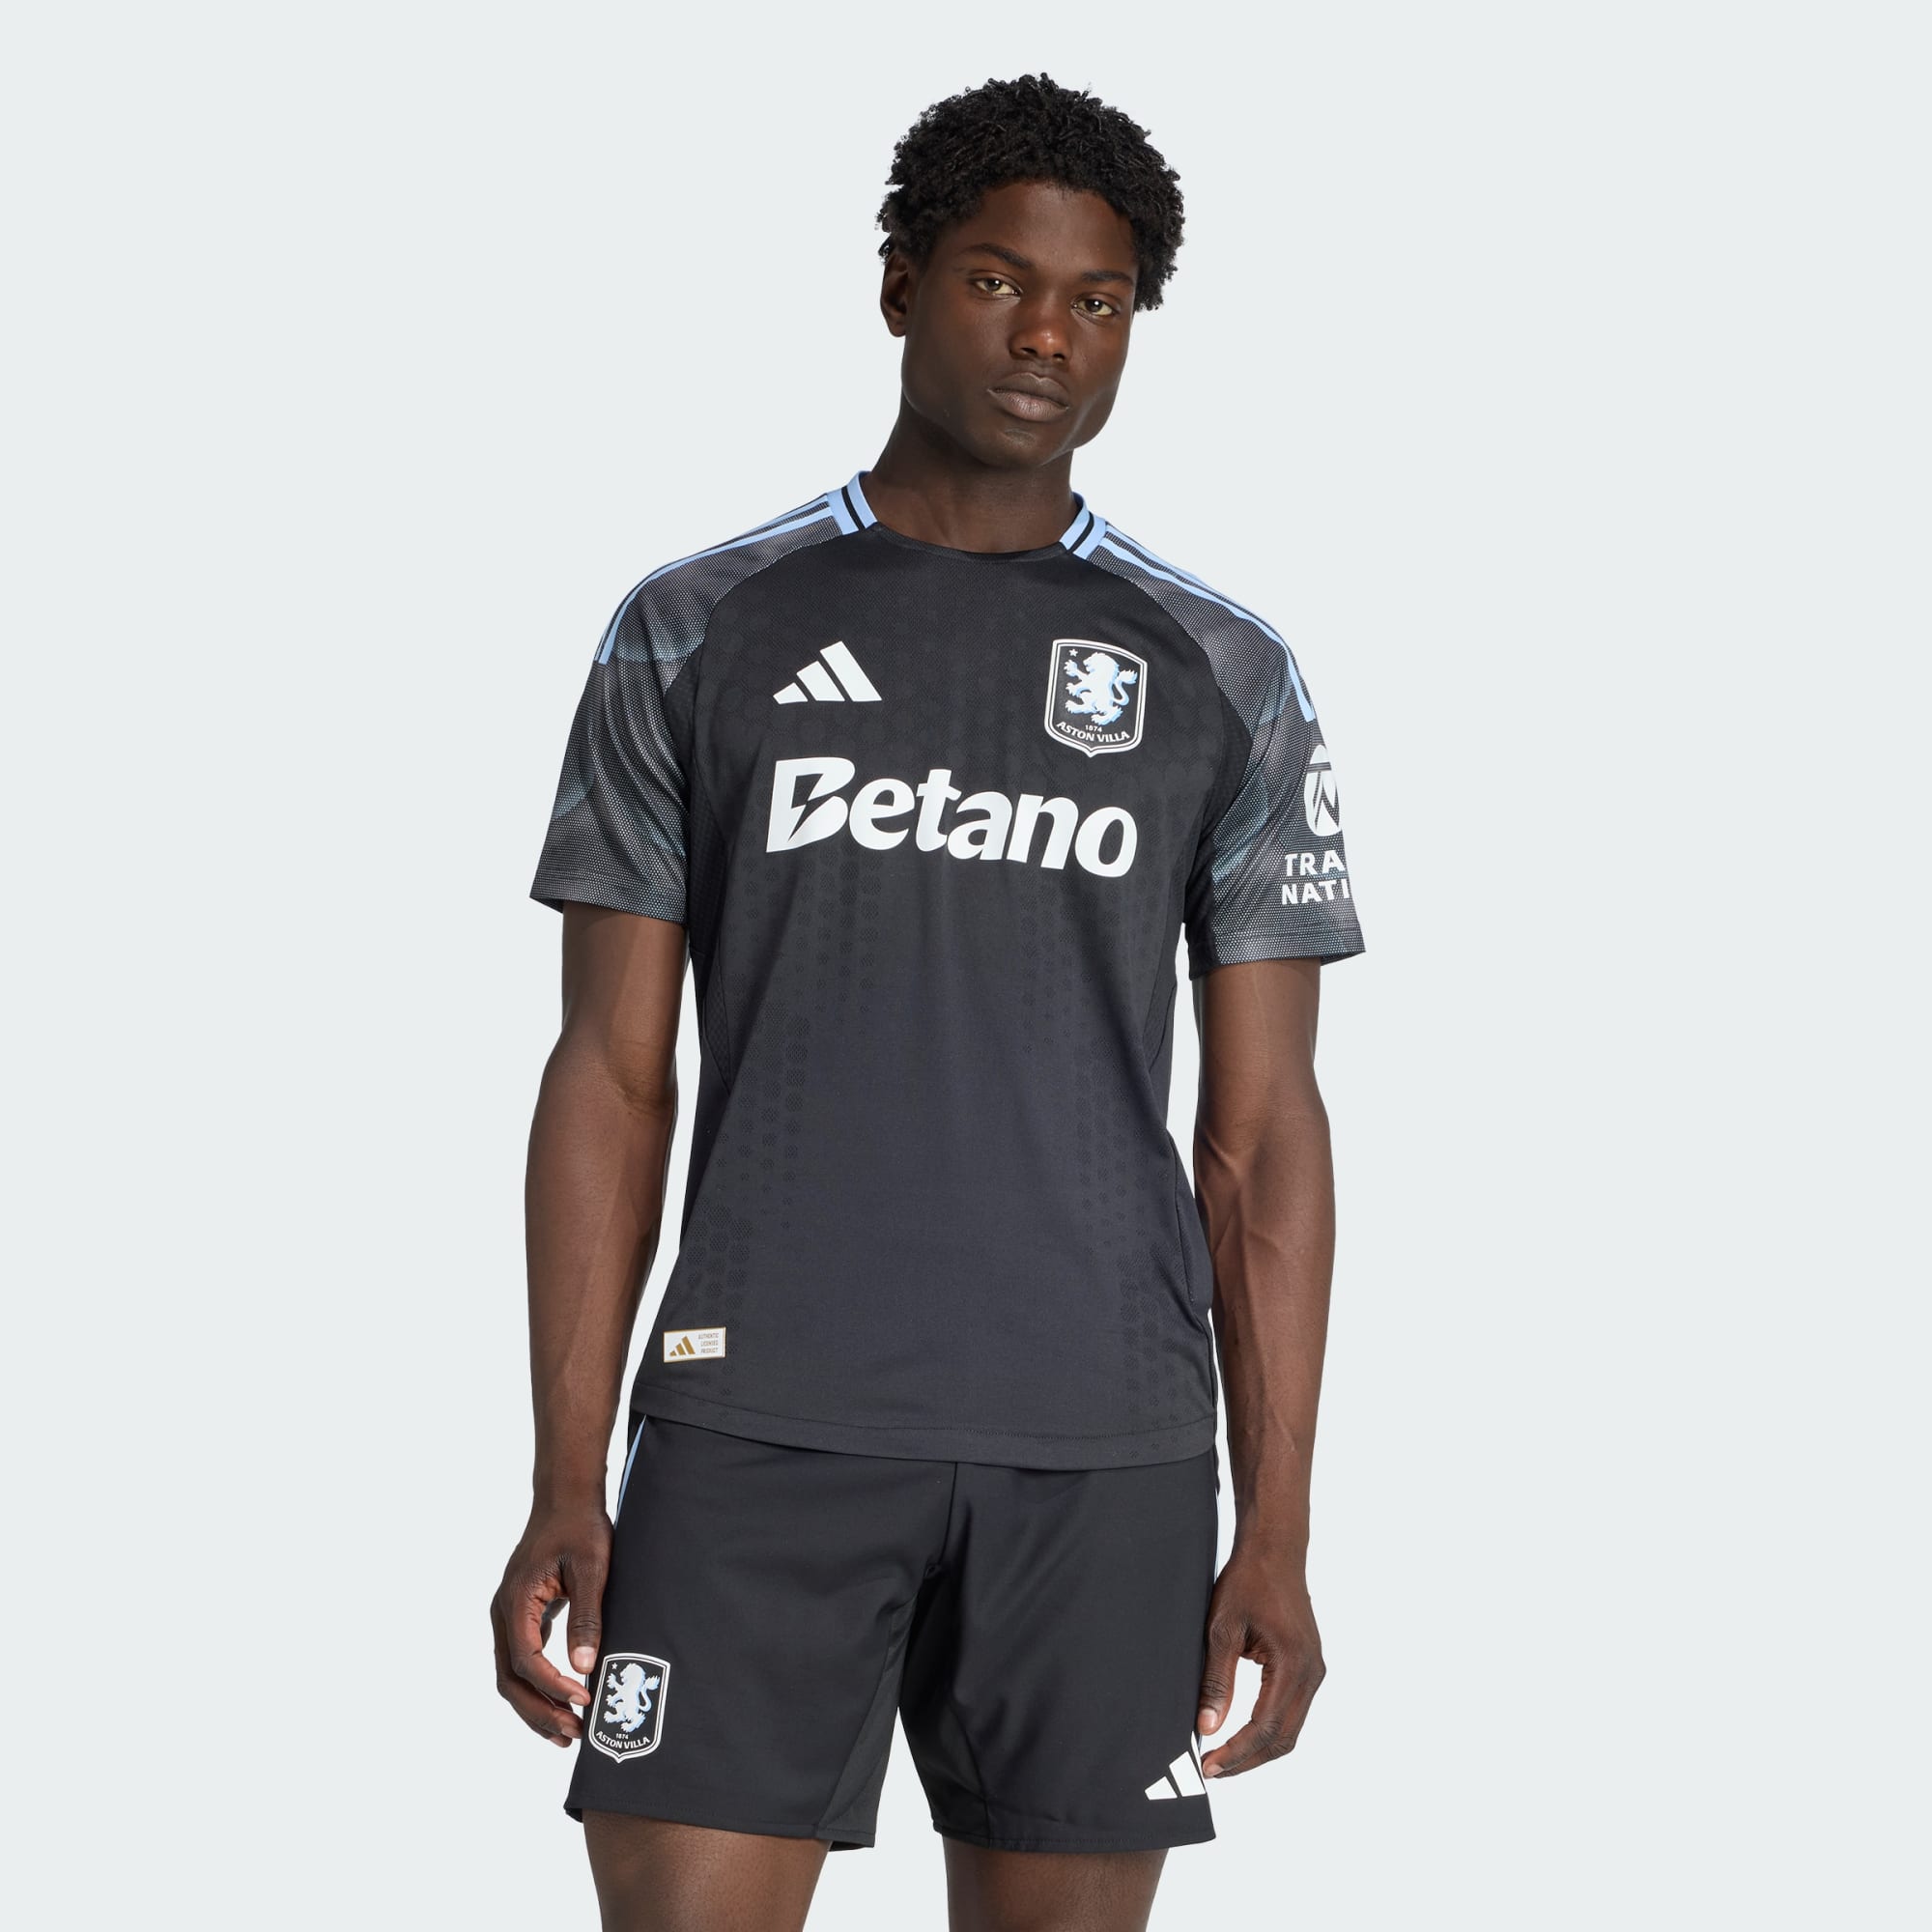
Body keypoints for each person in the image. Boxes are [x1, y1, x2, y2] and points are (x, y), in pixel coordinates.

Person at [491, 71, 1366, 1932]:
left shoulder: (1225, 672)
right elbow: (610, 1075)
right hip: (760, 1424)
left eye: (1098, 299)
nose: (1048, 335)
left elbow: (1263, 1132)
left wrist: (1277, 1526)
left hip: (1105, 1449)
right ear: (899, 284)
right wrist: (567, 1474)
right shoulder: (694, 628)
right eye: (997, 281)